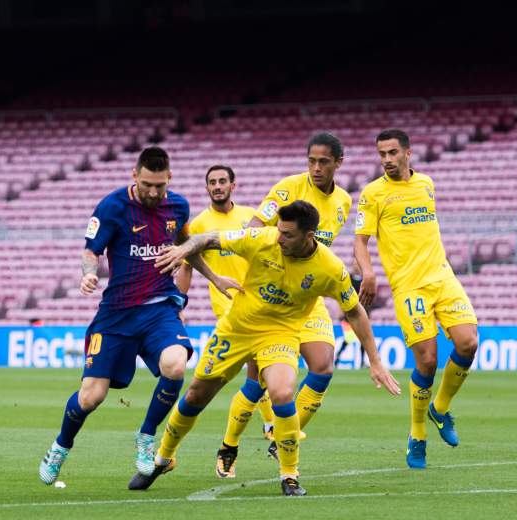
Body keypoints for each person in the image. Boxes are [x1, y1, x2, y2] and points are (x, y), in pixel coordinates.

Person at [129, 200, 401, 496]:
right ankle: (163, 458)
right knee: (196, 394)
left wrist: (375, 361)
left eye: (287, 234)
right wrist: (184, 249)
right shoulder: (262, 239)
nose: (279, 238)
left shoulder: (329, 269)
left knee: (282, 392)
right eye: (279, 231)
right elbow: (209, 239)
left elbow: (355, 311)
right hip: (237, 328)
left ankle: (289, 474)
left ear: (309, 236)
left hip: (280, 334)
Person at [38, 147, 241, 485]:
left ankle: (147, 436)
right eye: (147, 184)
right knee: (91, 396)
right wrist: (89, 273)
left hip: (159, 308)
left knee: (176, 364)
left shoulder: (178, 206)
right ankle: (61, 445)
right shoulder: (112, 207)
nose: (153, 192)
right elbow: (91, 251)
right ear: (135, 176)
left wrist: (216, 278)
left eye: (159, 186)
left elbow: (186, 245)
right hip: (116, 313)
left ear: (169, 179)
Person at [216, 132, 353, 475]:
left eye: (323, 162)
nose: (316, 168)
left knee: (323, 365)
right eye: (311, 160)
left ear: (339, 162)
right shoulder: (288, 188)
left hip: (306, 298)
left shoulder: (344, 202)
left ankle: (281, 439)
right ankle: (228, 446)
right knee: (256, 381)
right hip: (268, 299)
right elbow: (254, 228)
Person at [354, 129, 478, 469]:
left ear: (407, 153)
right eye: (382, 154)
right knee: (426, 361)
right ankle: (418, 434)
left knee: (468, 343)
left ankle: (440, 408)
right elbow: (360, 242)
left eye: (393, 152)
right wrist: (368, 272)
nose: (387, 160)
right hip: (409, 287)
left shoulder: (426, 184)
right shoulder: (373, 194)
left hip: (443, 277)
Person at [174, 165, 277, 456]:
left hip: (259, 303)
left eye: (222, 181)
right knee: (257, 366)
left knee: (260, 367)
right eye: (212, 182)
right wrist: (178, 304)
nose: (217, 186)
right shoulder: (198, 225)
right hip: (228, 309)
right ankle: (269, 425)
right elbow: (186, 266)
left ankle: (266, 425)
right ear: (206, 188)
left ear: (233, 184)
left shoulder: (251, 218)